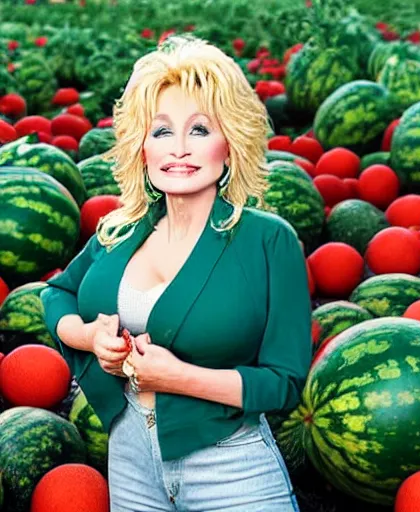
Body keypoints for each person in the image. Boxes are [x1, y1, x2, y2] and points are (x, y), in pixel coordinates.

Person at [40, 34, 312, 511]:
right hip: (129, 456)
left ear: (229, 144)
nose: (180, 149)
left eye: (200, 130)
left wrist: (178, 377)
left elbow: (284, 382)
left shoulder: (269, 240)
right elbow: (57, 294)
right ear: (142, 146)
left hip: (231, 466)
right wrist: (90, 337)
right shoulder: (119, 230)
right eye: (162, 131)